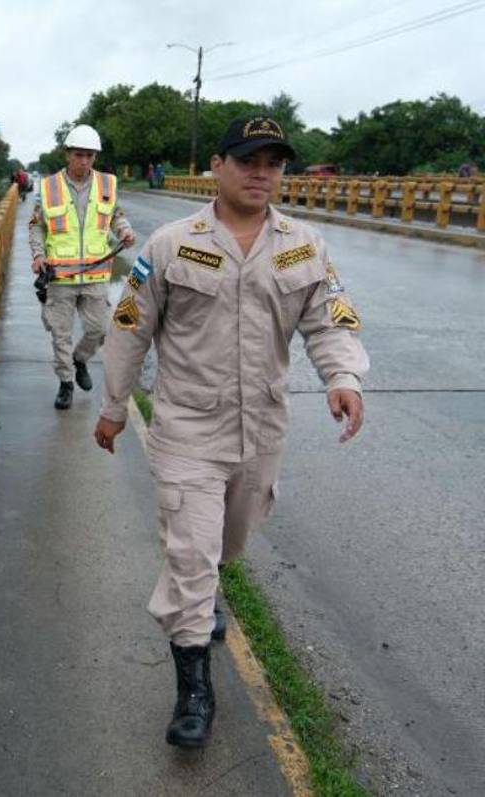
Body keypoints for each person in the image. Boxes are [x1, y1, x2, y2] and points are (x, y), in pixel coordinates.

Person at [93, 116, 369, 748]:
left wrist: (343, 377)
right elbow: (129, 326)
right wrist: (113, 407)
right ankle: (195, 688)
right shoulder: (168, 245)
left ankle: (205, 593)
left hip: (262, 427)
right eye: (248, 160)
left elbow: (331, 320)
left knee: (227, 542)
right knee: (190, 553)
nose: (261, 172)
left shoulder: (303, 246)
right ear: (217, 165)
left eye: (273, 162)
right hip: (188, 426)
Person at [29, 123, 137, 410]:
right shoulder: (49, 187)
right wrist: (38, 255)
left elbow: (116, 215)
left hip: (95, 275)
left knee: (98, 329)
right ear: (67, 155)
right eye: (79, 155)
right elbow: (37, 226)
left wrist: (124, 230)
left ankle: (80, 360)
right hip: (60, 277)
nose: (84, 161)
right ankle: (65, 383)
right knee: (60, 334)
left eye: (90, 156)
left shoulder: (107, 184)